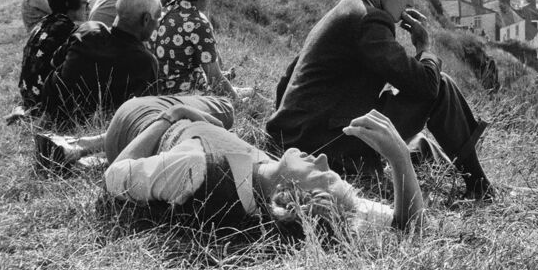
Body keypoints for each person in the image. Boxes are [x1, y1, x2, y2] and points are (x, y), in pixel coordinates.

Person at [267, 0, 494, 200]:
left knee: (423, 127)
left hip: (299, 137)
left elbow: (286, 80)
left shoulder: (346, 10)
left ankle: (475, 178)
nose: (410, 3)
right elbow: (427, 87)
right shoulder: (369, 20)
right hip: (326, 144)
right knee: (440, 85)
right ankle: (480, 186)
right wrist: (424, 47)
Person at [35, 98, 423, 231]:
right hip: (178, 144)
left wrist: (171, 117)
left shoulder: (198, 168)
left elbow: (114, 177)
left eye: (322, 173)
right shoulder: (274, 187)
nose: (321, 158)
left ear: (291, 199)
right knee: (219, 116)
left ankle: (78, 146)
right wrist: (399, 159)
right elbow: (408, 224)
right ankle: (80, 151)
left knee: (222, 108)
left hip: (142, 119)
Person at [41, 0, 161, 129]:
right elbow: (146, 114)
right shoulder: (146, 62)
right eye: (158, 17)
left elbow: (54, 61)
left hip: (53, 113)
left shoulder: (88, 30)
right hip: (94, 128)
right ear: (146, 19)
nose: (158, 23)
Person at [151, 0, 240, 100]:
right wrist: (238, 102)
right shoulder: (197, 23)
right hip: (187, 94)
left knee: (246, 92)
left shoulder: (168, 10)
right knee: (251, 94)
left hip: (161, 91)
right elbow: (214, 77)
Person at [19, 0, 93, 113]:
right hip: (49, 107)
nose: (89, 7)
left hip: (30, 99)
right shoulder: (71, 30)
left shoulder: (44, 23)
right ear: (69, 3)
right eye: (86, 3)